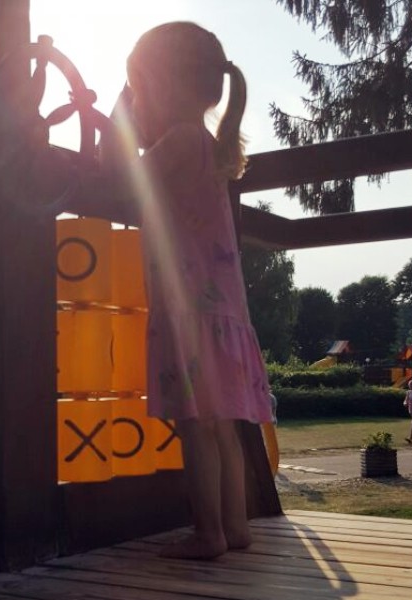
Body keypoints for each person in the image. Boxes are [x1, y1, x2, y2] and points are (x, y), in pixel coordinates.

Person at [67, 22, 273, 559]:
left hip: (189, 308)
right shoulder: (209, 146)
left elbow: (122, 177)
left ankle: (208, 534)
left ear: (160, 86)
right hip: (222, 312)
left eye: (141, 87)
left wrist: (120, 113)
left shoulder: (181, 141)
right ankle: (236, 527)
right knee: (223, 428)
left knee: (195, 426)